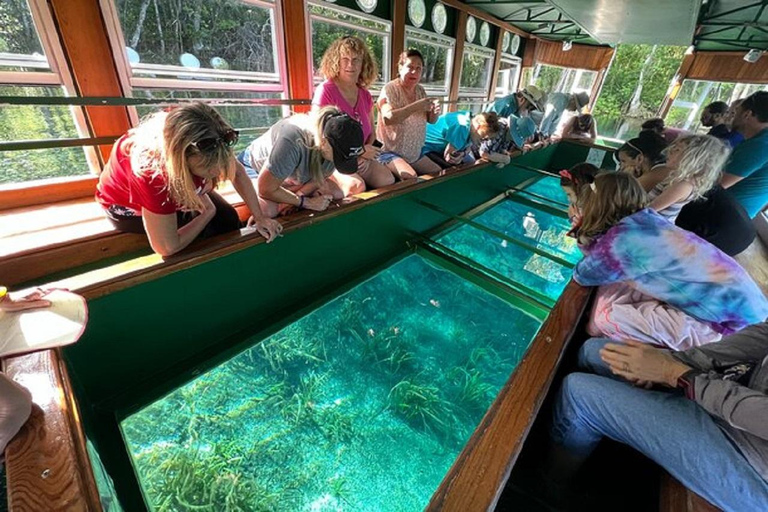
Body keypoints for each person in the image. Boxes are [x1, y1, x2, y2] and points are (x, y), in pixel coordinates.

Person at [544, 321, 768, 512]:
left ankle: (552, 489)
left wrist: (676, 375)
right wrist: (681, 361)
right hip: (733, 388)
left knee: (578, 394)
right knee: (593, 351)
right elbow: (763, 335)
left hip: (749, 456)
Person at [572, 172, 768, 350]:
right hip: (750, 306)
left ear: (594, 207)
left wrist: (581, 232)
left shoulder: (620, 243)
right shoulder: (646, 218)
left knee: (601, 321)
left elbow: (583, 275)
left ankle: (665, 354)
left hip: (729, 329)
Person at [96, 103, 283, 257]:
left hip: (184, 181)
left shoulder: (207, 135)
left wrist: (259, 216)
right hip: (128, 208)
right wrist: (207, 212)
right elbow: (166, 247)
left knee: (228, 219)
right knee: (204, 236)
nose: (214, 176)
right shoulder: (152, 173)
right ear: (181, 159)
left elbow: (238, 173)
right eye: (207, 171)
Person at [238, 107, 365, 219]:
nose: (339, 162)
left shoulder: (335, 144)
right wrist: (306, 202)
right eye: (339, 157)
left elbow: (320, 178)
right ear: (324, 143)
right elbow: (265, 189)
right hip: (254, 167)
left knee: (335, 194)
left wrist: (297, 197)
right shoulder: (293, 139)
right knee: (267, 211)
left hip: (291, 177)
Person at [313, 36, 393, 189]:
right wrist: (359, 153)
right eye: (345, 59)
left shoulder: (365, 94)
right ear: (336, 61)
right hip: (334, 160)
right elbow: (319, 139)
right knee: (357, 185)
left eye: (356, 59)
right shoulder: (326, 90)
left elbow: (372, 134)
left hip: (363, 157)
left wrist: (365, 155)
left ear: (364, 63)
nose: (351, 64)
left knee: (387, 179)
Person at [376, 49, 443, 179]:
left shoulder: (420, 90)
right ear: (400, 68)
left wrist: (435, 112)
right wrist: (416, 106)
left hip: (414, 154)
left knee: (438, 173)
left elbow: (431, 121)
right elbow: (388, 118)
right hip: (389, 152)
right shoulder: (390, 88)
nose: (414, 72)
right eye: (410, 67)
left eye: (418, 68)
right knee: (411, 177)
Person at [647, 134, 730, 222]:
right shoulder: (676, 176)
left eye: (677, 149)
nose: (670, 151)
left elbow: (649, 209)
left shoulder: (683, 186)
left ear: (692, 159)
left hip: (651, 226)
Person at [720, 91, 768, 218]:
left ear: (747, 114)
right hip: (736, 216)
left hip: (722, 217)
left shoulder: (760, 145)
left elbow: (717, 184)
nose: (730, 118)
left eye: (735, 113)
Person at [422, 111, 501, 168]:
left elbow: (467, 147)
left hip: (432, 144)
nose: (483, 140)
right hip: (424, 147)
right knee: (449, 170)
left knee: (470, 162)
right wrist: (457, 159)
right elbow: (448, 157)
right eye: (483, 136)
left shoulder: (470, 119)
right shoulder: (463, 128)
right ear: (478, 127)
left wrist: (463, 154)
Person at [558, 163, 599, 230]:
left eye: (569, 194)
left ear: (583, 191)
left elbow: (587, 238)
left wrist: (575, 221)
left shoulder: (598, 213)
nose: (568, 199)